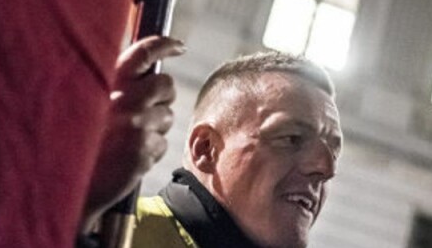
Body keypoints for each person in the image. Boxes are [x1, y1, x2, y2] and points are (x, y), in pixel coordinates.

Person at [81, 36, 342, 248]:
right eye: (292, 139)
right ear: (205, 149)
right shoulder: (104, 231)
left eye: (333, 152)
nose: (326, 168)